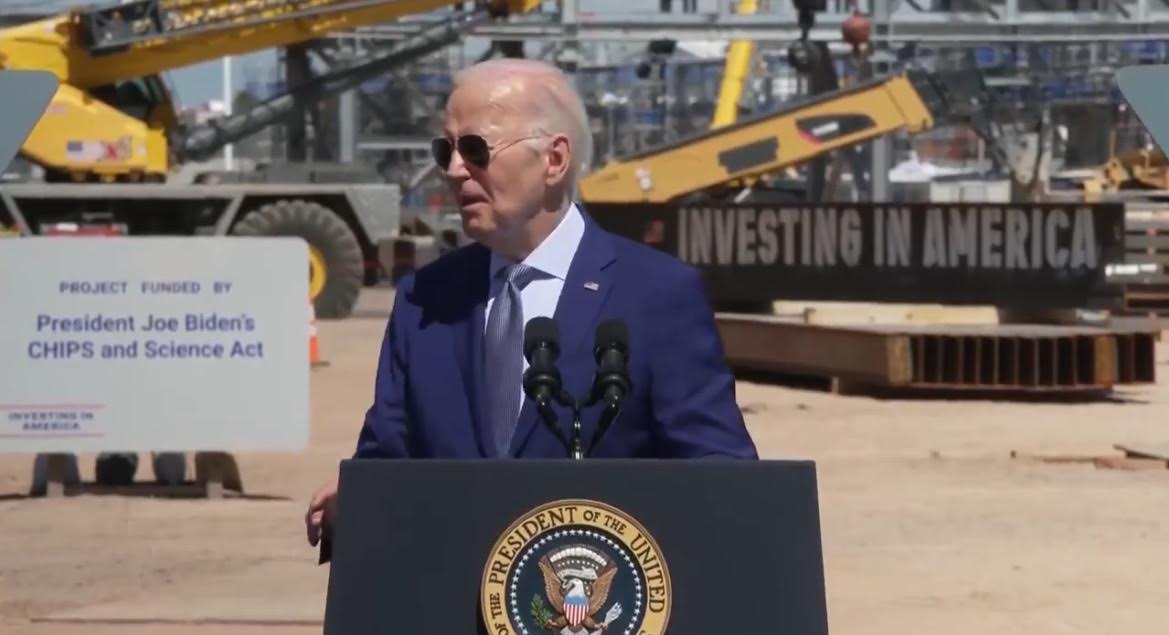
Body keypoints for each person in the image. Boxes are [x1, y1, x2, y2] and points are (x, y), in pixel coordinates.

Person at [305, 58, 757, 547]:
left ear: (554, 160)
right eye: (445, 149)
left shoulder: (657, 295)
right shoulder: (424, 298)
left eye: (475, 149)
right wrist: (357, 498)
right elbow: (387, 456)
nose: (454, 170)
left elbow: (720, 472)